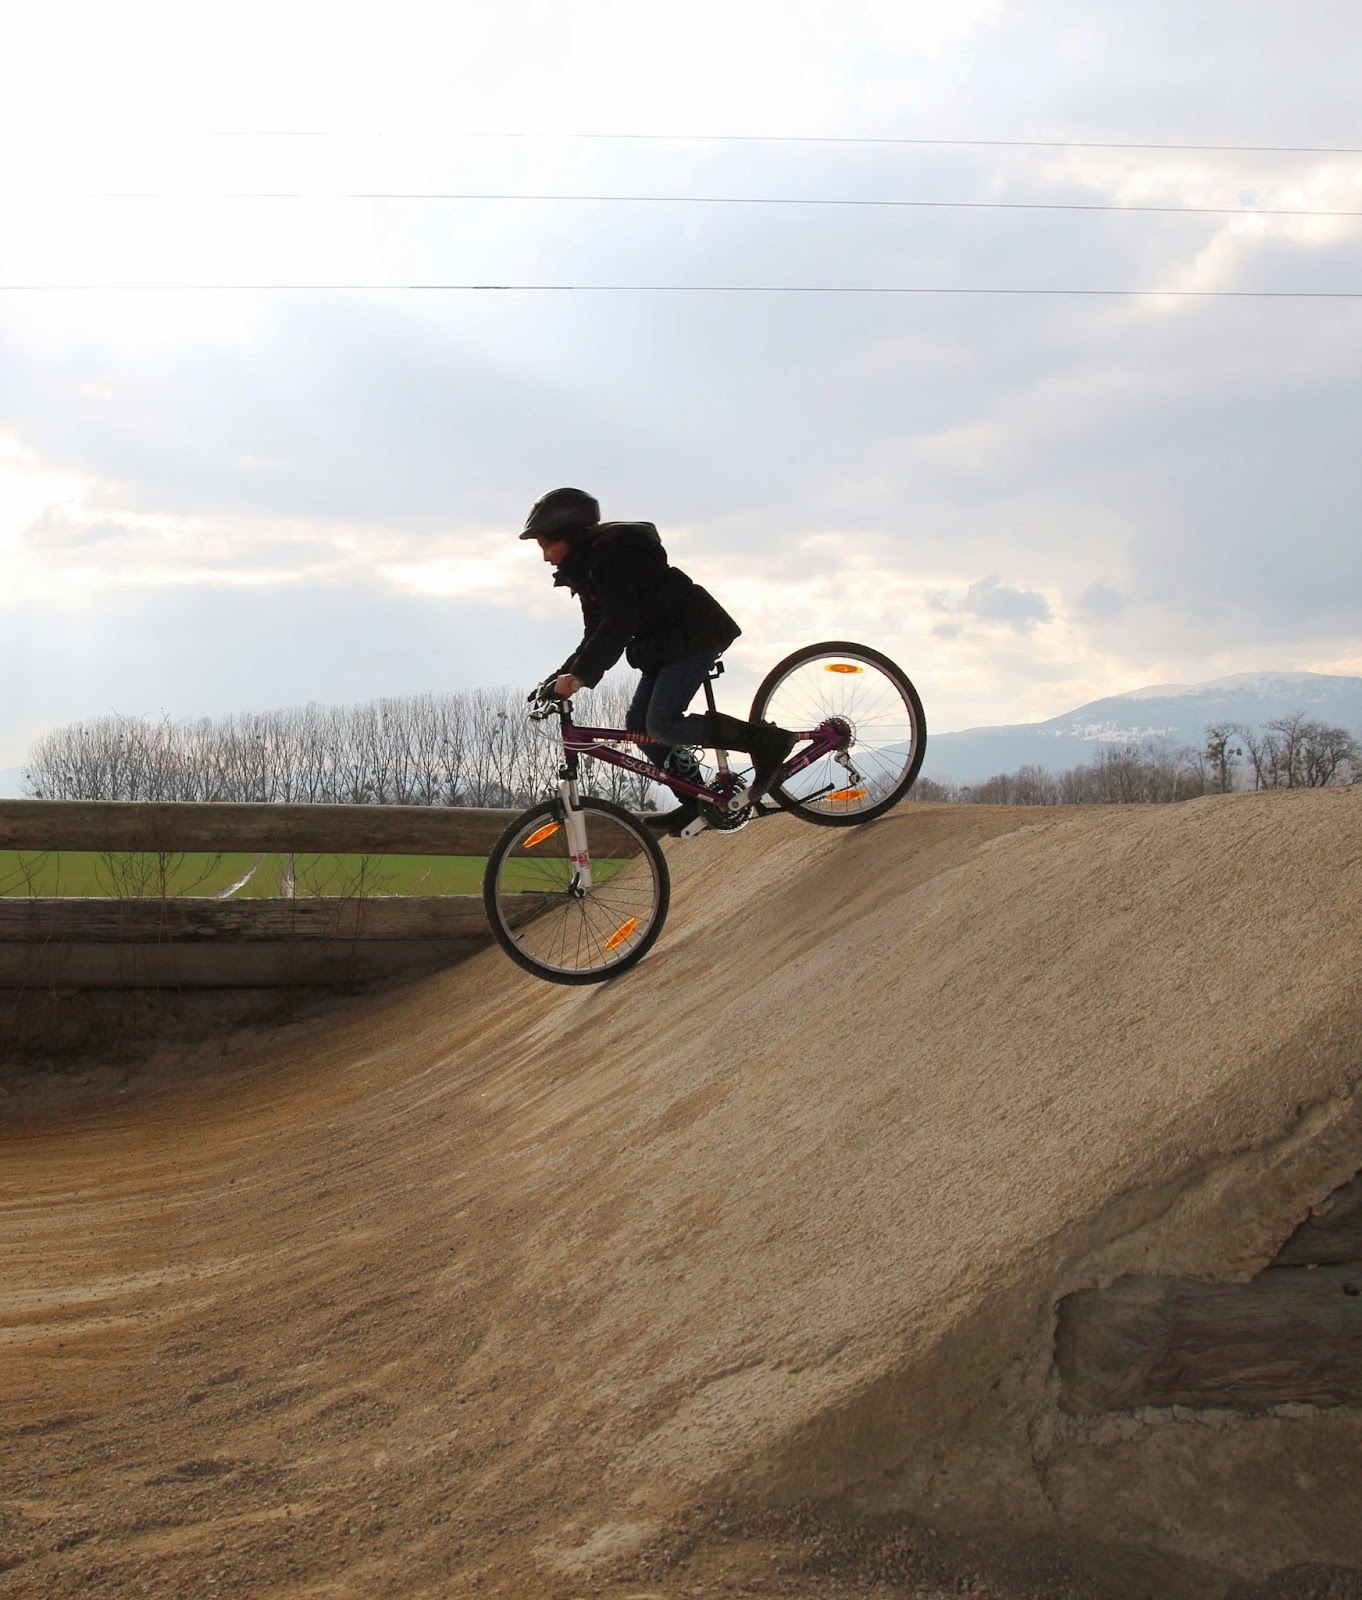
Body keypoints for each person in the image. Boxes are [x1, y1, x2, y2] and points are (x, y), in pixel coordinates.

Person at [522, 487, 795, 835]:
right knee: (640, 725)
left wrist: (578, 678)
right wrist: (558, 678)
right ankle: (697, 801)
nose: (545, 556)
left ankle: (766, 742)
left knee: (661, 724)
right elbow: (594, 634)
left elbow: (619, 624)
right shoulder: (587, 569)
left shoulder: (611, 557)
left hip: (694, 635)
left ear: (569, 535)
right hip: (665, 647)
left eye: (546, 545)